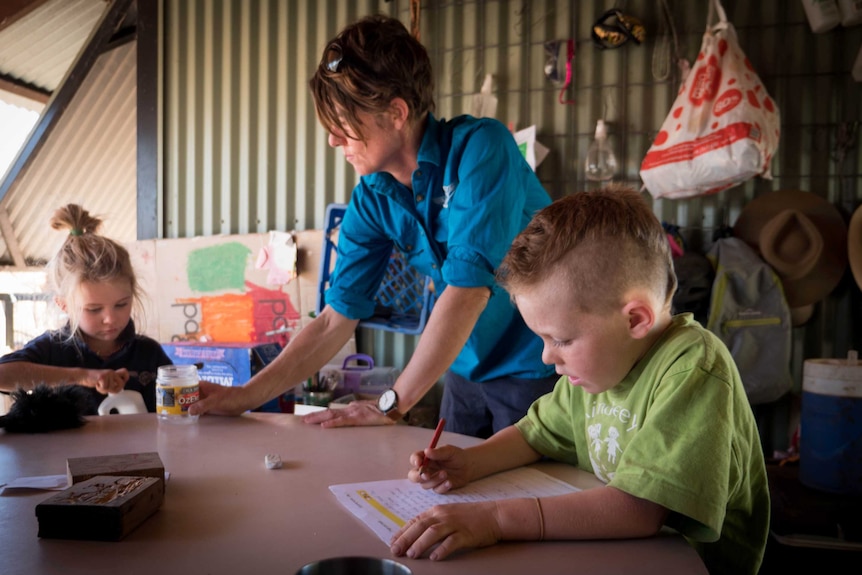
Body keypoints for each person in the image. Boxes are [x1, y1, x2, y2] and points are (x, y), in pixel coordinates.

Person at [189, 14, 557, 437]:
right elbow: (333, 321)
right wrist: (238, 398)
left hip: (536, 363)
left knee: (525, 497)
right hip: (463, 368)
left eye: (342, 120)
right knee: (454, 490)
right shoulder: (372, 198)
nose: (331, 139)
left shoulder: (481, 148)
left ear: (396, 112)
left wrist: (390, 404)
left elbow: (468, 291)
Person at [389, 185, 770, 575]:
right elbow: (534, 433)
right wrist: (470, 463)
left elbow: (639, 510)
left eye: (562, 339)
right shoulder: (598, 369)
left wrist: (496, 519)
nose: (546, 356)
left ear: (635, 319)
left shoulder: (693, 370)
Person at [0, 204, 172, 414]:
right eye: (93, 309)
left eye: (121, 304)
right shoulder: (54, 349)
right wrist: (83, 376)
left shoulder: (149, 353)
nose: (110, 318)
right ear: (64, 305)